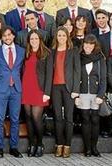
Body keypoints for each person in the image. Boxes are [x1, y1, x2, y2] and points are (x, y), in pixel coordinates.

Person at [46, 26, 80, 158]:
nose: (61, 38)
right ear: (56, 37)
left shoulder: (73, 51)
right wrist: (47, 91)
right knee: (57, 117)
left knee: (69, 118)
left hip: (69, 88)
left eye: (63, 35)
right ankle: (59, 144)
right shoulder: (51, 52)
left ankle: (67, 146)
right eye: (59, 35)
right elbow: (49, 73)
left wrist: (76, 90)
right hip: (55, 88)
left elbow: (77, 72)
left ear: (67, 37)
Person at [0, 26, 25, 158]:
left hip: (16, 89)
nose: (7, 37)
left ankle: (14, 147)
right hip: (1, 89)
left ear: (13, 36)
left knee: (15, 119)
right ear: (1, 37)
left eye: (9, 35)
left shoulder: (21, 51)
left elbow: (23, 70)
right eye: (4, 35)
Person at [76, 34, 106, 157]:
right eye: (86, 43)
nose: (88, 46)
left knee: (95, 120)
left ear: (95, 45)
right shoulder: (78, 57)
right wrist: (76, 95)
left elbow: (104, 78)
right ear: (83, 44)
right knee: (85, 120)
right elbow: (75, 76)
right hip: (82, 93)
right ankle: (87, 149)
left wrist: (101, 95)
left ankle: (94, 147)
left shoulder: (100, 59)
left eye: (91, 44)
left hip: (96, 94)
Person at [21, 30, 51, 157]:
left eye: (36, 39)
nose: (34, 41)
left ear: (40, 40)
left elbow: (49, 74)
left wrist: (47, 92)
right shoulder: (26, 53)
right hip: (26, 88)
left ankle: (40, 144)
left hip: (39, 90)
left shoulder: (46, 53)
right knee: (28, 117)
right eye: (31, 39)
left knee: (36, 118)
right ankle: (32, 144)